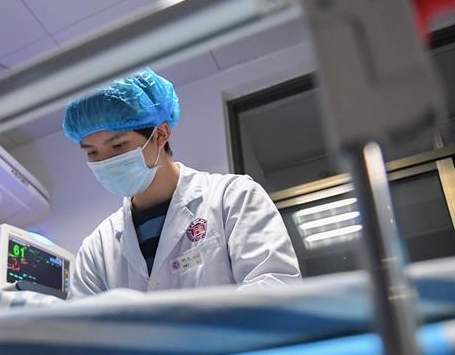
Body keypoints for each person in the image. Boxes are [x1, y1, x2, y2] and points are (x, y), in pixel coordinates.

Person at [63, 68, 301, 299]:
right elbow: (80, 323)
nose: (105, 161)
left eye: (118, 145)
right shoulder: (97, 248)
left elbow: (275, 288)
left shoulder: (233, 198)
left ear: (160, 134)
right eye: (92, 152)